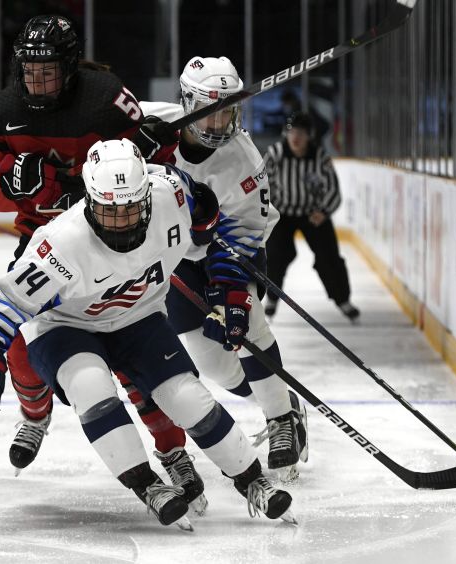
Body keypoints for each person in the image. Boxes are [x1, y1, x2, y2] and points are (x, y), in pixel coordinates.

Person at [0, 14, 204, 505]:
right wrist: (14, 185)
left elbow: (154, 168)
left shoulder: (107, 96)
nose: (38, 80)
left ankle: (172, 448)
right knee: (23, 349)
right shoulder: (0, 111)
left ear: (70, 67)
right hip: (49, 247)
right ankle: (35, 413)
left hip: (120, 241)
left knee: (131, 353)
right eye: (30, 70)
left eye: (48, 70)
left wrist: (159, 144)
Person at [0, 139, 294, 527]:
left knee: (186, 396)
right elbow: (6, 299)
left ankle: (253, 480)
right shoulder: (62, 243)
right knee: (91, 387)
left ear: (148, 197)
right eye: (108, 210)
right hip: (65, 327)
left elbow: (210, 224)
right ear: (88, 200)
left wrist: (226, 283)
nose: (121, 221)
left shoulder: (173, 195)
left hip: (139, 316)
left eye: (131, 209)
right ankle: (147, 484)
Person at [137, 56, 308, 479]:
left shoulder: (243, 162)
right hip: (176, 258)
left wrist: (230, 297)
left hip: (229, 253)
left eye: (227, 113)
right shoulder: (153, 122)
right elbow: (99, 129)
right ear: (186, 103)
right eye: (209, 115)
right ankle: (285, 400)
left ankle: (281, 420)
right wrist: (129, 138)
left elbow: (244, 238)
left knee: (246, 322)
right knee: (213, 364)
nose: (218, 126)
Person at [263, 111, 360, 322]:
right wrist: (268, 210)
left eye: (301, 133)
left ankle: (343, 300)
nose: (295, 138)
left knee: (329, 258)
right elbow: (262, 186)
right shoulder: (275, 153)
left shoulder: (320, 157)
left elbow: (333, 189)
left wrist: (324, 211)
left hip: (312, 214)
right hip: (281, 214)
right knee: (275, 256)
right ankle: (271, 297)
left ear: (310, 136)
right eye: (292, 132)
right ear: (285, 133)